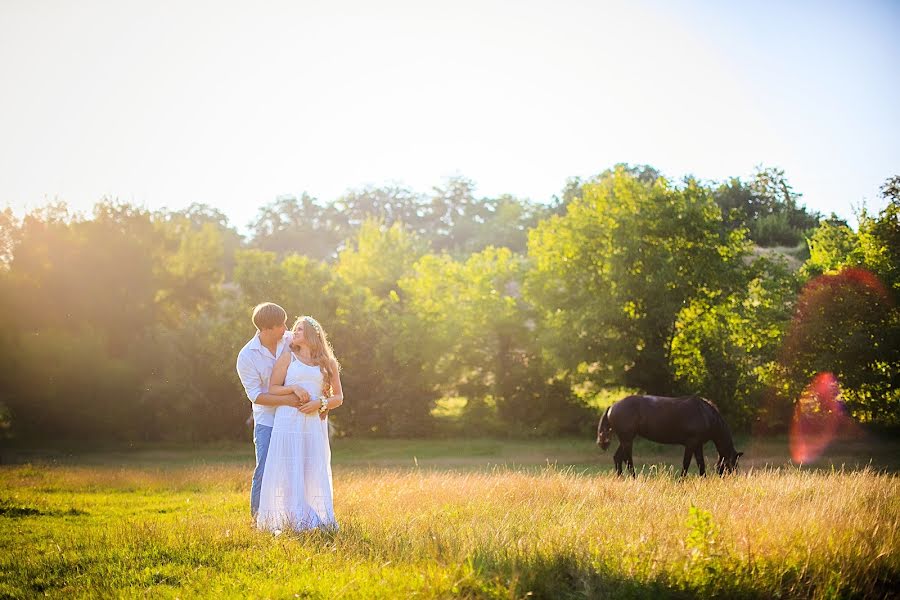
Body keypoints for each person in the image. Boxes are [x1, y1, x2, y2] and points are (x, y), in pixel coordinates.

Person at [256, 315, 344, 532]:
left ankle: (314, 517)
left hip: (313, 422)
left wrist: (319, 404)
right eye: (294, 329)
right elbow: (273, 388)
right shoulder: (288, 357)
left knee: (311, 467)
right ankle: (289, 518)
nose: (294, 332)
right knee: (288, 467)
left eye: (299, 329)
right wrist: (293, 388)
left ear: (313, 334)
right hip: (287, 420)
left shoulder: (328, 363)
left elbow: (339, 398)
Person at [236, 302, 310, 519]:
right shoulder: (247, 356)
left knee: (296, 468)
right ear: (265, 329)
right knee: (265, 469)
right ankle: (258, 518)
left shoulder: (289, 340)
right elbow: (256, 396)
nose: (286, 328)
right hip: (267, 420)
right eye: (280, 325)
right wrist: (288, 400)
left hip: (295, 417)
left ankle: (293, 515)